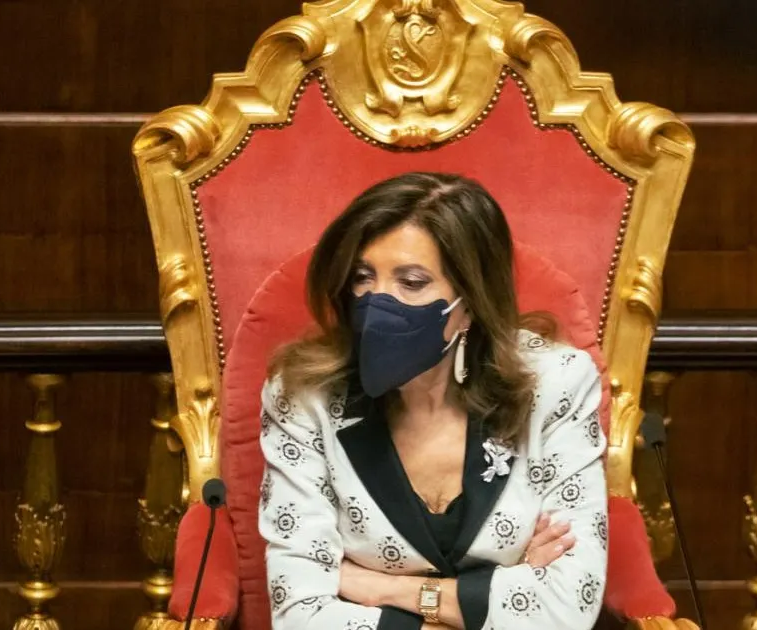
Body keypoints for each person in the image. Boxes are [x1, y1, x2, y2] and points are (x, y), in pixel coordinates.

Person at [257, 172, 607, 629]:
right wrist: (501, 593)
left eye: (412, 282)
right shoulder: (304, 396)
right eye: (363, 277)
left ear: (470, 303)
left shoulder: (556, 384)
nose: (377, 302)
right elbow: (298, 615)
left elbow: (567, 609)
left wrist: (379, 589)